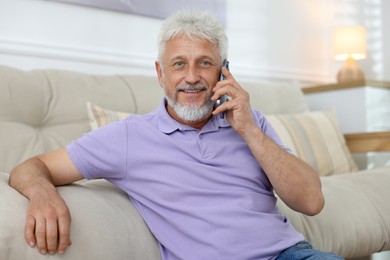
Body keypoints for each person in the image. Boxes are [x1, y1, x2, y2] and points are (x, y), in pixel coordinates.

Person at [9, 10, 343, 260]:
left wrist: (249, 130)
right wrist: (43, 194)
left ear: (225, 70)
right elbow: (31, 167)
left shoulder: (251, 122)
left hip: (291, 254)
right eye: (179, 64)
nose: (192, 77)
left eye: (205, 63)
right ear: (160, 73)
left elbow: (311, 201)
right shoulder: (128, 137)